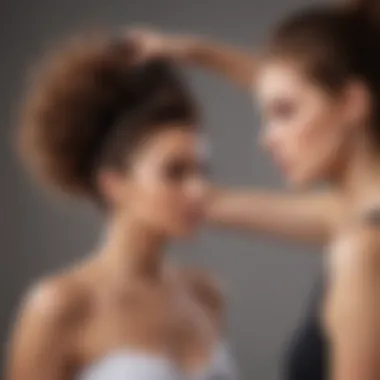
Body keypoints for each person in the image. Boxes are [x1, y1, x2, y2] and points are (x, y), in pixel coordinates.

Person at [129, 0, 380, 379]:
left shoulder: (362, 251)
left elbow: (304, 80)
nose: (265, 140)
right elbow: (304, 81)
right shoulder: (356, 222)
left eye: (283, 113)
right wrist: (194, 53)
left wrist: (196, 52)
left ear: (353, 102)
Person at [6, 34, 238, 380]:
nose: (200, 189)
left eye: (203, 170)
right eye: (175, 172)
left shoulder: (205, 294)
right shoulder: (60, 306)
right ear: (114, 184)